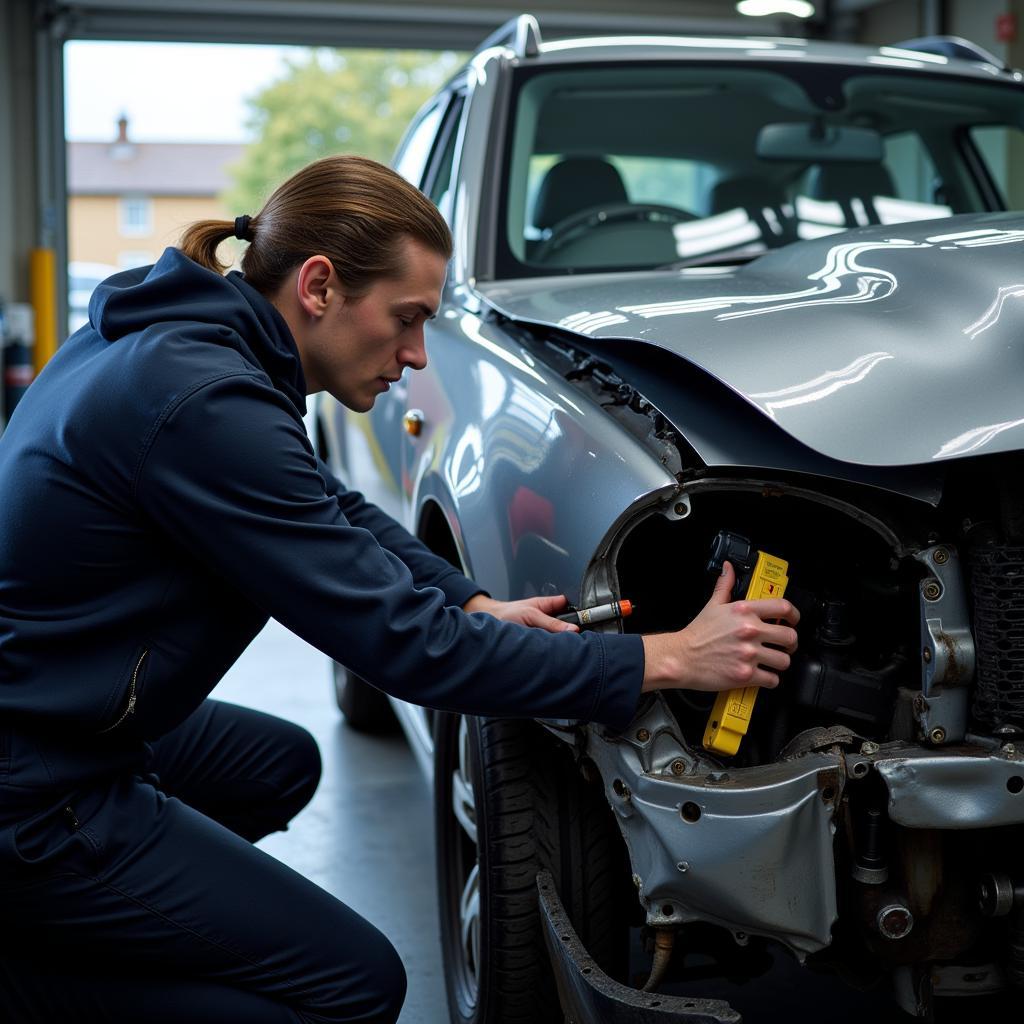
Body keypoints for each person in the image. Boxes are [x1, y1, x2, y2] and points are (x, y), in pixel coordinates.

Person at [0, 154, 798, 1022]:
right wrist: (663, 659)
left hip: (65, 720)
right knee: (354, 985)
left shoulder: (189, 336)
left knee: (277, 768)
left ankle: (100, 921)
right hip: (36, 786)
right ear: (319, 285)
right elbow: (409, 651)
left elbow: (324, 499)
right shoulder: (200, 401)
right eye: (407, 318)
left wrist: (466, 599)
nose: (416, 357)